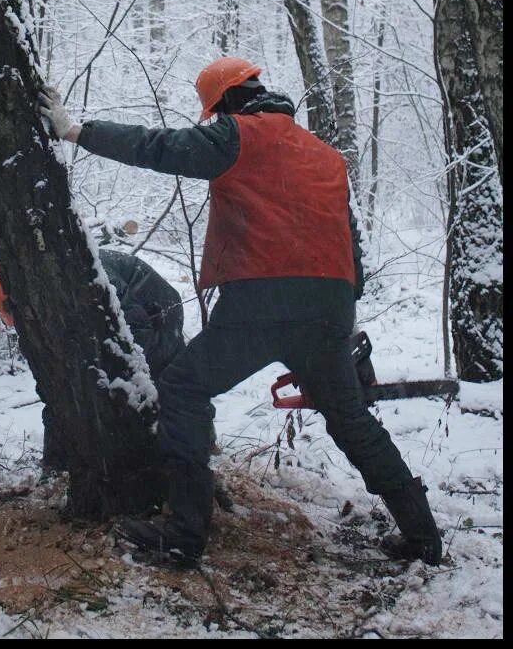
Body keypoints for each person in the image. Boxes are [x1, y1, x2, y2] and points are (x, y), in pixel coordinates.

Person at [39, 57, 443, 567]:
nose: (212, 122)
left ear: (226, 102)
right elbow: (350, 247)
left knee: (184, 386)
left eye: (214, 113)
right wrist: (341, 318)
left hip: (261, 301)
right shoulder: (326, 157)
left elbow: (158, 147)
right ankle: (423, 536)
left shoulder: (237, 135)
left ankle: (183, 532)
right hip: (331, 304)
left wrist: (75, 131)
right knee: (351, 420)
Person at [0, 247, 185, 469]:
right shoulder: (47, 297)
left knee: (159, 382)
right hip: (120, 318)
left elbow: (135, 330)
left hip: (157, 308)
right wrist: (53, 464)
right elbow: (57, 393)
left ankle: (182, 452)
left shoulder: (86, 278)